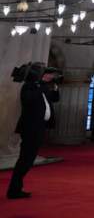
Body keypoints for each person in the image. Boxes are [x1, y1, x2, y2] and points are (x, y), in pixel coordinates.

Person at [6, 63, 59, 200]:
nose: (45, 76)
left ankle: (16, 188)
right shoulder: (28, 87)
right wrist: (38, 85)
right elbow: (28, 100)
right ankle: (14, 190)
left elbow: (54, 98)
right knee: (25, 160)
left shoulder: (41, 87)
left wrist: (55, 86)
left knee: (28, 160)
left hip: (39, 127)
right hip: (30, 128)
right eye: (42, 73)